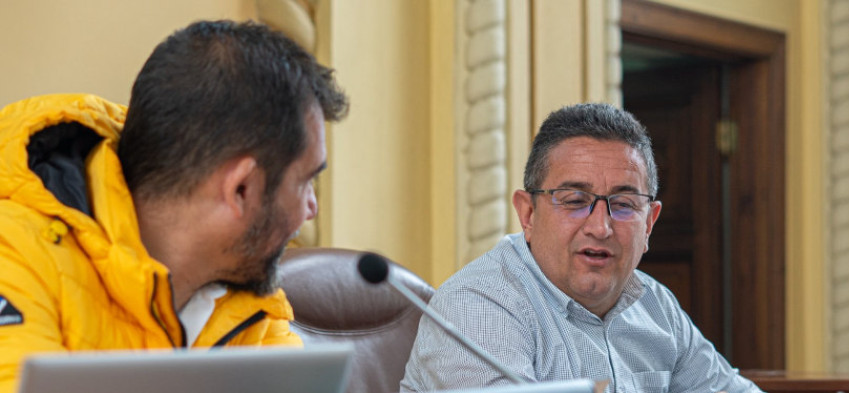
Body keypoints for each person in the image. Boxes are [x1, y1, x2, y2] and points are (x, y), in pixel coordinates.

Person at [0, 20, 348, 392]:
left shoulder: (249, 301)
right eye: (306, 181)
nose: (311, 208)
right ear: (241, 189)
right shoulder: (15, 258)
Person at [401, 103, 760, 393]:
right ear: (527, 213)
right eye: (574, 201)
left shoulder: (656, 305)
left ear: (649, 222)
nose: (600, 227)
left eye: (623, 204)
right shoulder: (479, 304)